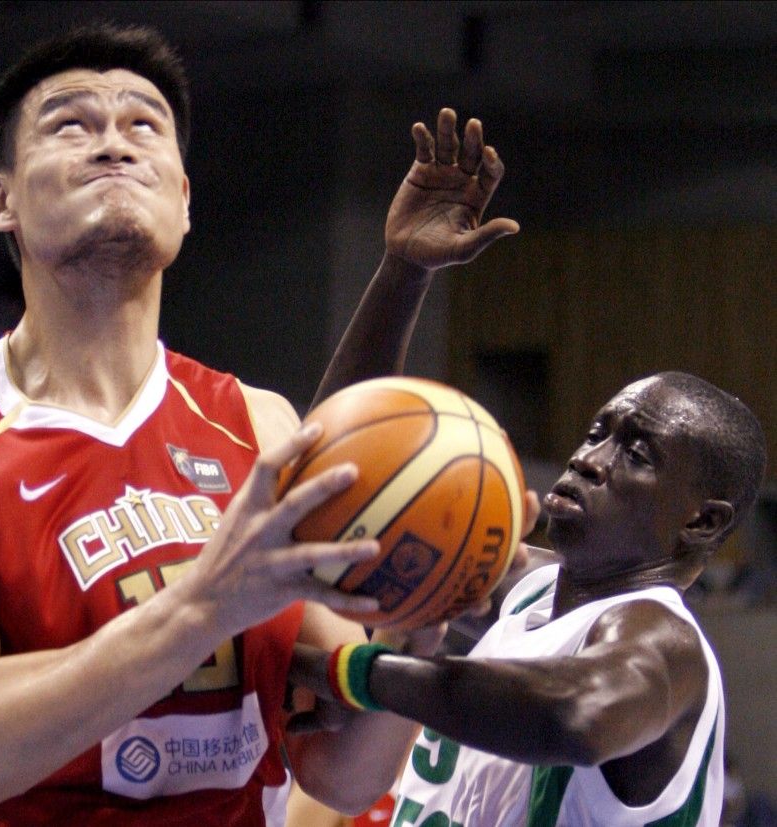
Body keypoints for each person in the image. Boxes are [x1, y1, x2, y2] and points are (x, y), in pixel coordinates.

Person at [0, 22, 525, 826]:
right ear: (1, 200)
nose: (114, 145)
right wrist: (202, 608)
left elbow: (341, 771)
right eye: (71, 125)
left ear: (185, 201)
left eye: (143, 126)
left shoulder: (256, 424)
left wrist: (422, 625)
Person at [292, 326, 767, 822]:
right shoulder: (532, 590)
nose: (588, 460)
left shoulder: (666, 642)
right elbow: (333, 476)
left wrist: (348, 674)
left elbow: (576, 717)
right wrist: (405, 273)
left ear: (702, 520)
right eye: (597, 434)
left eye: (636, 455)